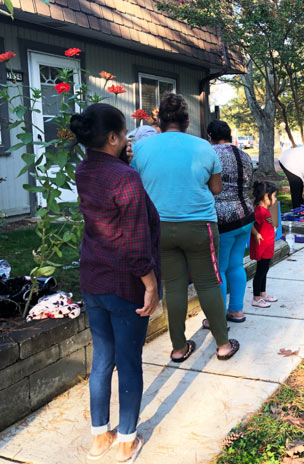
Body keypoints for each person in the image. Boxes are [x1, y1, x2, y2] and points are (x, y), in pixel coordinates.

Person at [71, 103, 160, 463]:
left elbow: (109, 202)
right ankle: (126, 439)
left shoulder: (84, 170)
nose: (128, 139)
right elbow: (137, 245)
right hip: (126, 284)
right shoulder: (126, 178)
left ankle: (98, 436)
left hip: (93, 277)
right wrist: (150, 286)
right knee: (129, 362)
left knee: (103, 359)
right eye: (124, 134)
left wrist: (120, 159)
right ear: (112, 138)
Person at [132, 93, 239, 362]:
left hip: (161, 227)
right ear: (187, 121)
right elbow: (215, 188)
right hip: (199, 224)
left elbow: (137, 183)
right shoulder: (205, 147)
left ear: (158, 120)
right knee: (209, 283)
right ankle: (223, 345)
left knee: (173, 285)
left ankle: (179, 348)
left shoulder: (142, 149)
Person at [206, 120, 255, 324]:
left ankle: (217, 317)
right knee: (236, 265)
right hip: (246, 215)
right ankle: (237, 310)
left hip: (223, 218)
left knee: (220, 269)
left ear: (210, 136)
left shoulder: (210, 153)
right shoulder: (244, 155)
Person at [250, 181, 279, 308]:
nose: (276, 199)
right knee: (260, 272)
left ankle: (263, 294)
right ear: (267, 197)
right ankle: (256, 298)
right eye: (274, 196)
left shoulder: (265, 210)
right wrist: (256, 234)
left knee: (265, 270)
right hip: (262, 246)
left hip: (268, 245)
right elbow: (249, 223)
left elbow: (268, 223)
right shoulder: (259, 211)